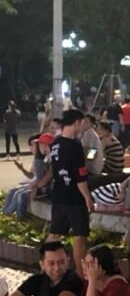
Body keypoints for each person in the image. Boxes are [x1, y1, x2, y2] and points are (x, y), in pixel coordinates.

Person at [35, 109, 94, 276]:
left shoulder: (55, 143)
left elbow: (55, 169)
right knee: (79, 236)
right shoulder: (75, 146)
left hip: (59, 195)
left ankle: (43, 267)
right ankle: (81, 275)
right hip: (74, 198)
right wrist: (88, 198)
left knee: (55, 233)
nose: (83, 126)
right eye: (82, 123)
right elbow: (80, 177)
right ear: (76, 122)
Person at [3, 133, 52, 218]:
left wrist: (31, 187)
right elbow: (33, 176)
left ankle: (12, 216)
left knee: (20, 194)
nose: (31, 148)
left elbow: (42, 178)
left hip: (43, 188)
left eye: (34, 145)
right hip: (38, 186)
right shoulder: (40, 159)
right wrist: (22, 169)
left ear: (44, 145)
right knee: (14, 192)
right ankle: (6, 214)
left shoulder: (44, 160)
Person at [80, 113, 104, 178]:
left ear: (91, 124)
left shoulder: (89, 133)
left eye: (86, 122)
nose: (83, 123)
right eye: (83, 121)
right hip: (96, 168)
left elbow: (89, 154)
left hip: (92, 169)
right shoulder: (90, 133)